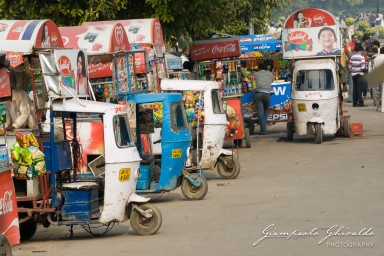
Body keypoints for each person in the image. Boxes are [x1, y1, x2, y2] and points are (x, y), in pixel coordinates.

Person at [252, 66, 274, 135]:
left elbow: (252, 81)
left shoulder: (255, 74)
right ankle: (263, 127)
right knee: (266, 110)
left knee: (260, 112)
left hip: (258, 93)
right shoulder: (270, 74)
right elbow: (272, 80)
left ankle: (263, 130)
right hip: (267, 93)